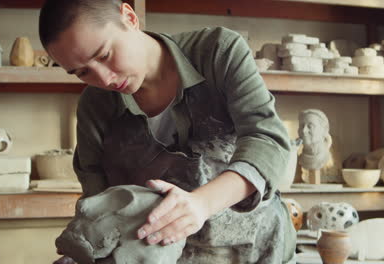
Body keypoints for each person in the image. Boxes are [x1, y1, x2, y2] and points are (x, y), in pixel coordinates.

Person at [39, 0, 296, 263]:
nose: (104, 79)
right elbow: (100, 206)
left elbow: (267, 139)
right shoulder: (96, 106)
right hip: (169, 253)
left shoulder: (218, 52)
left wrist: (201, 203)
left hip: (256, 247)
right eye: (82, 72)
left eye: (104, 55)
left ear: (129, 17)